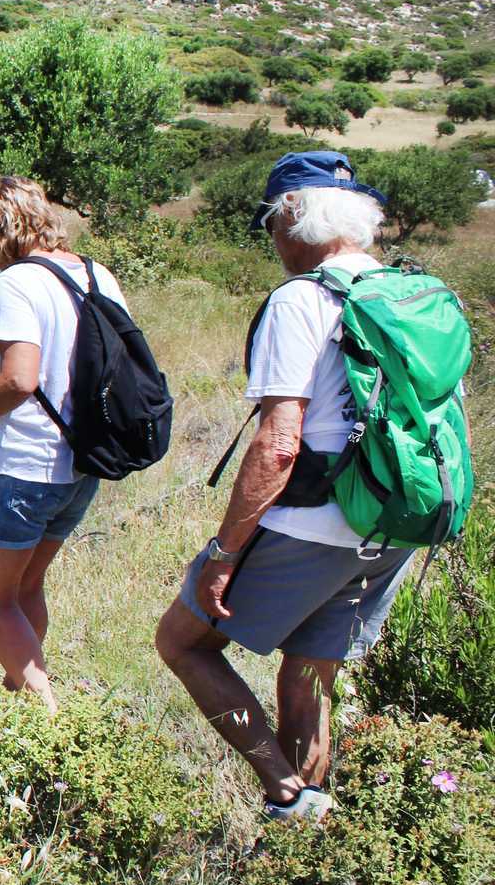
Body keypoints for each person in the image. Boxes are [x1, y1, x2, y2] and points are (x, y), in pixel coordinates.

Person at [156, 152, 422, 822]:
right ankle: (305, 839)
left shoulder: (302, 300)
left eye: (272, 223)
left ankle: (286, 792)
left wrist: (224, 553)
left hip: (314, 519)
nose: (272, 241)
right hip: (392, 521)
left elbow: (278, 443)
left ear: (295, 217)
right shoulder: (406, 294)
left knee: (183, 642)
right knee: (308, 676)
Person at [0, 177, 130, 714]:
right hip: (82, 464)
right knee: (27, 586)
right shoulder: (96, 275)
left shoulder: (16, 283)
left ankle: (46, 721)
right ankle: (19, 700)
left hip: (24, 467)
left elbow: (18, 381)